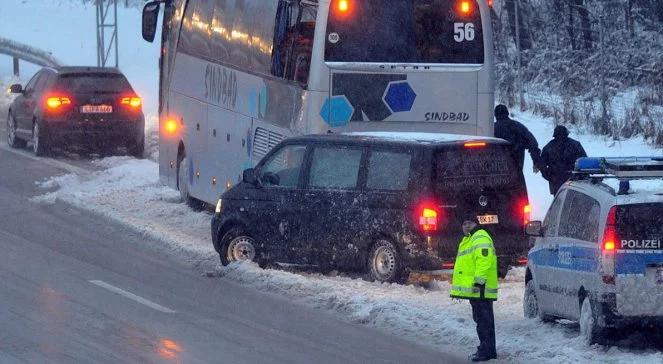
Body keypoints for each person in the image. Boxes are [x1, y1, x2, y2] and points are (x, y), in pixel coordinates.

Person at [451, 213, 498, 362]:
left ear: (476, 224)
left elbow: (484, 261)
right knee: (481, 319)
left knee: (484, 321)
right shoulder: (470, 239)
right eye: (464, 224)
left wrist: (479, 282)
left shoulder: (480, 237)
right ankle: (486, 349)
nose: (466, 227)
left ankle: (487, 351)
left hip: (481, 288)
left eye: (469, 224)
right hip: (477, 289)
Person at [494, 104, 542, 173]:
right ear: (507, 113)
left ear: (495, 115)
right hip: (516, 173)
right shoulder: (518, 127)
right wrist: (536, 161)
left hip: (495, 174)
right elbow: (532, 142)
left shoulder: (491, 129)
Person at [540, 125, 587, 195]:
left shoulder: (548, 147)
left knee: (559, 202)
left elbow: (541, 165)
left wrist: (549, 176)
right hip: (573, 181)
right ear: (566, 133)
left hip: (556, 183)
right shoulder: (575, 145)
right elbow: (584, 162)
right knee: (573, 201)